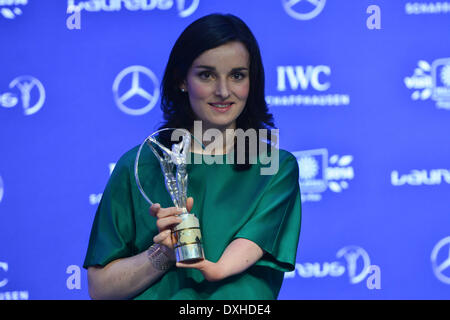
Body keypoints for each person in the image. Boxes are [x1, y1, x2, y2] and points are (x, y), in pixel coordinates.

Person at [83, 13, 302, 300]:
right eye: (206, 75)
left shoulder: (274, 167)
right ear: (182, 80)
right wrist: (162, 253)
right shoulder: (142, 164)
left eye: (237, 75)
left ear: (253, 81)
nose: (223, 91)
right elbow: (100, 291)